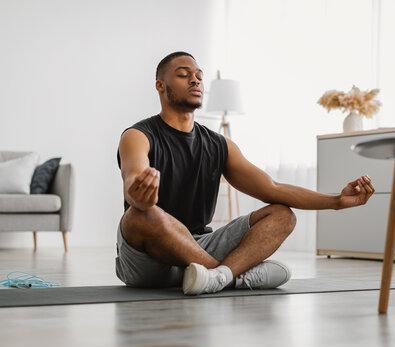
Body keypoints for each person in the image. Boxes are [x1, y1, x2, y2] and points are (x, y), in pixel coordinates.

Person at [116, 51, 375, 296]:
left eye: (199, 75)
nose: (195, 79)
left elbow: (273, 189)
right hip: (148, 262)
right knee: (139, 216)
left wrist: (336, 202)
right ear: (160, 86)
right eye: (184, 74)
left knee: (282, 214)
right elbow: (133, 181)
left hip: (200, 245)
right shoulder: (138, 136)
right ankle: (228, 275)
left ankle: (213, 277)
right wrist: (141, 198)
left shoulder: (219, 144)